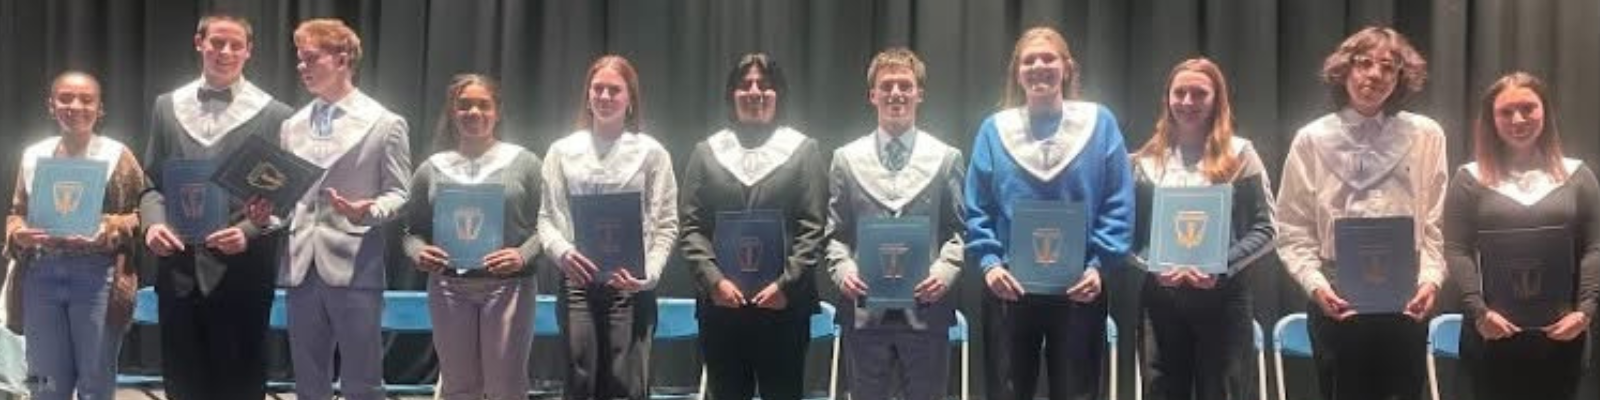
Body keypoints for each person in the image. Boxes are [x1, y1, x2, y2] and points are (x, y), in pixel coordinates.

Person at [1274, 26, 1447, 400]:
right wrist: (1316, 285)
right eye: (1364, 63)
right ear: (1344, 70)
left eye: (1388, 66)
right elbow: (1292, 227)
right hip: (1337, 294)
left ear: (1401, 76)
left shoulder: (1426, 135)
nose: (1375, 74)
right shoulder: (1312, 138)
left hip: (1406, 293)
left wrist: (1430, 280)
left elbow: (1436, 220)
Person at [964, 26, 1135, 400]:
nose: (1038, 66)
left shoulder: (1099, 124)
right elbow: (977, 206)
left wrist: (1098, 266)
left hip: (1079, 287)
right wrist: (990, 263)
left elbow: (1118, 201)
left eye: (1048, 58)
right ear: (1017, 71)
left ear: (1067, 67)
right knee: (1007, 391)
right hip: (1009, 285)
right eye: (1029, 60)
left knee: (1077, 391)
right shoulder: (994, 130)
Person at [139, 14, 293, 400]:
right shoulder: (166, 106)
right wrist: (152, 225)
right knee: (182, 378)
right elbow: (151, 184)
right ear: (199, 43)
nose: (225, 52)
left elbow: (288, 199)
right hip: (179, 267)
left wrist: (247, 231)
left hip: (243, 268)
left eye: (235, 45)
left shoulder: (275, 114)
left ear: (249, 51)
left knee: (240, 379)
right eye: (217, 43)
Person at [678, 53, 827, 400]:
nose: (755, 91)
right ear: (732, 94)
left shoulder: (803, 151)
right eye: (745, 85)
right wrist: (714, 281)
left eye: (766, 85)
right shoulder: (707, 152)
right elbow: (692, 226)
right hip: (722, 305)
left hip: (783, 306)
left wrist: (785, 285)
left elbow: (813, 227)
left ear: (779, 94)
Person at [1127, 58, 1275, 400]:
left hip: (1224, 298)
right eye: (1180, 93)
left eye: (1199, 93)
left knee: (1222, 392)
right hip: (1160, 299)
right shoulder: (1144, 162)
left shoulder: (1241, 154)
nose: (1188, 102)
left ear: (1216, 100)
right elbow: (1129, 236)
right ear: (1167, 98)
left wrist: (1218, 265)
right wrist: (1155, 264)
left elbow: (1266, 228)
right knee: (1160, 391)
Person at [279, 18, 411, 400]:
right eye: (299, 60)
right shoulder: (292, 125)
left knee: (363, 378)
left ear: (342, 58)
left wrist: (368, 211)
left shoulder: (385, 123)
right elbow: (288, 199)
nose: (301, 67)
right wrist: (267, 215)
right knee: (307, 377)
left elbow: (400, 193)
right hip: (300, 262)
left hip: (355, 262)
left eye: (310, 58)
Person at [1444, 72, 1596, 400]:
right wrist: (1479, 312)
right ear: (1491, 119)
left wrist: (1585, 311)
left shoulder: (1578, 176)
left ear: (1546, 112)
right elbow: (1457, 250)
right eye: (1505, 111)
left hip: (1562, 331)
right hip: (1492, 331)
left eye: (1528, 108)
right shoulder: (1469, 179)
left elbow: (1595, 247)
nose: (1518, 119)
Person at [825, 47, 964, 400]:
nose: (896, 93)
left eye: (905, 85)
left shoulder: (946, 158)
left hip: (926, 310)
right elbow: (835, 234)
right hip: (865, 312)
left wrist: (945, 272)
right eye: (886, 86)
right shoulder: (845, 159)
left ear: (920, 93)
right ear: (872, 95)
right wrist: (843, 270)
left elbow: (960, 231)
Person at [538, 55, 679, 400]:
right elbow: (546, 219)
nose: (604, 96)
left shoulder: (652, 153)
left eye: (614, 90)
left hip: (630, 286)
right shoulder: (561, 151)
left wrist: (650, 275)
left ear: (630, 98)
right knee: (580, 382)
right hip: (578, 284)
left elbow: (666, 224)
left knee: (626, 385)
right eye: (597, 89)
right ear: (587, 95)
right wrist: (563, 252)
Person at [4, 71, 146, 400]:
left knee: (96, 385)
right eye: (65, 98)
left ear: (100, 109)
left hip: (96, 277)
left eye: (86, 99)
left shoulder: (117, 155)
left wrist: (107, 230)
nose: (75, 105)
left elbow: (144, 214)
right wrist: (19, 234)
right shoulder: (32, 154)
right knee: (44, 384)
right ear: (51, 106)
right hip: (41, 275)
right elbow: (17, 213)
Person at [403, 74, 542, 400]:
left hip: (510, 289)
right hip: (449, 288)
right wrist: (418, 253)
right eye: (464, 105)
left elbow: (547, 226)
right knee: (457, 387)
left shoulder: (525, 163)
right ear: (453, 111)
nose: (474, 112)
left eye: (484, 105)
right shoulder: (432, 168)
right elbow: (412, 232)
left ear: (497, 112)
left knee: (505, 387)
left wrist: (522, 255)